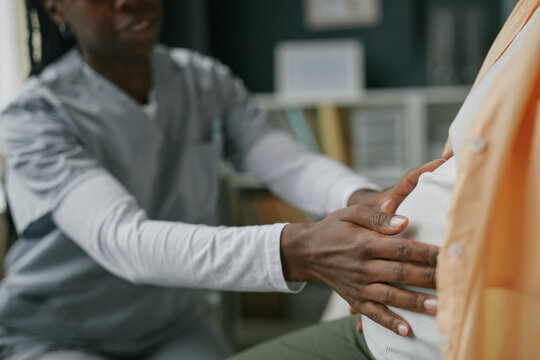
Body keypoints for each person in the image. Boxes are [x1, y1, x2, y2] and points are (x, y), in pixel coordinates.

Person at [0, 0, 445, 359]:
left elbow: (286, 162)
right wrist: (300, 250)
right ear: (55, 9)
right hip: (58, 333)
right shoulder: (34, 117)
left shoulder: (203, 81)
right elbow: (123, 240)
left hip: (170, 324)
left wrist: (369, 200)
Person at [230, 0, 540, 359]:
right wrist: (362, 240)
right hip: (378, 327)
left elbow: (284, 162)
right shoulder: (525, 16)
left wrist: (320, 243)